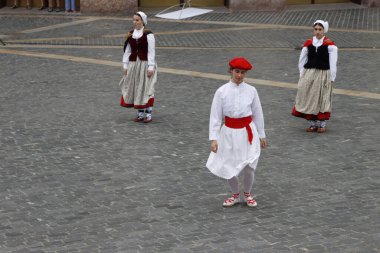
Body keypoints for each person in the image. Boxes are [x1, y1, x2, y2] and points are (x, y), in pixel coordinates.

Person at [206, 57, 268, 208]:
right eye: (237, 72)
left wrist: (261, 134)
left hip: (247, 133)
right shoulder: (222, 91)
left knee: (249, 166)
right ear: (231, 71)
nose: (239, 75)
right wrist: (213, 138)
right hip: (228, 133)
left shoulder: (251, 90)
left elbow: (257, 113)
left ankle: (247, 193)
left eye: (242, 73)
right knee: (229, 165)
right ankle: (235, 194)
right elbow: (215, 116)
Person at [292, 20, 338, 133]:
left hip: (323, 74)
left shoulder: (329, 45)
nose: (317, 32)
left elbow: (333, 63)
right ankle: (312, 123)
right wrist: (302, 74)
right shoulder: (308, 43)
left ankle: (322, 124)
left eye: (320, 29)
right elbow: (302, 60)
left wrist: (332, 77)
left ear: (324, 30)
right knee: (309, 96)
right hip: (309, 73)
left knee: (322, 97)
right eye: (316, 29)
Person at [119, 11, 157, 123]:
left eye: (137, 20)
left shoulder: (148, 35)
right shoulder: (130, 34)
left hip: (145, 64)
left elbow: (151, 52)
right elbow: (127, 51)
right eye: (134, 20)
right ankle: (140, 114)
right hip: (133, 65)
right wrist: (125, 65)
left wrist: (151, 67)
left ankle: (148, 114)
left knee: (146, 88)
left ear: (143, 21)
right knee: (137, 88)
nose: (135, 22)